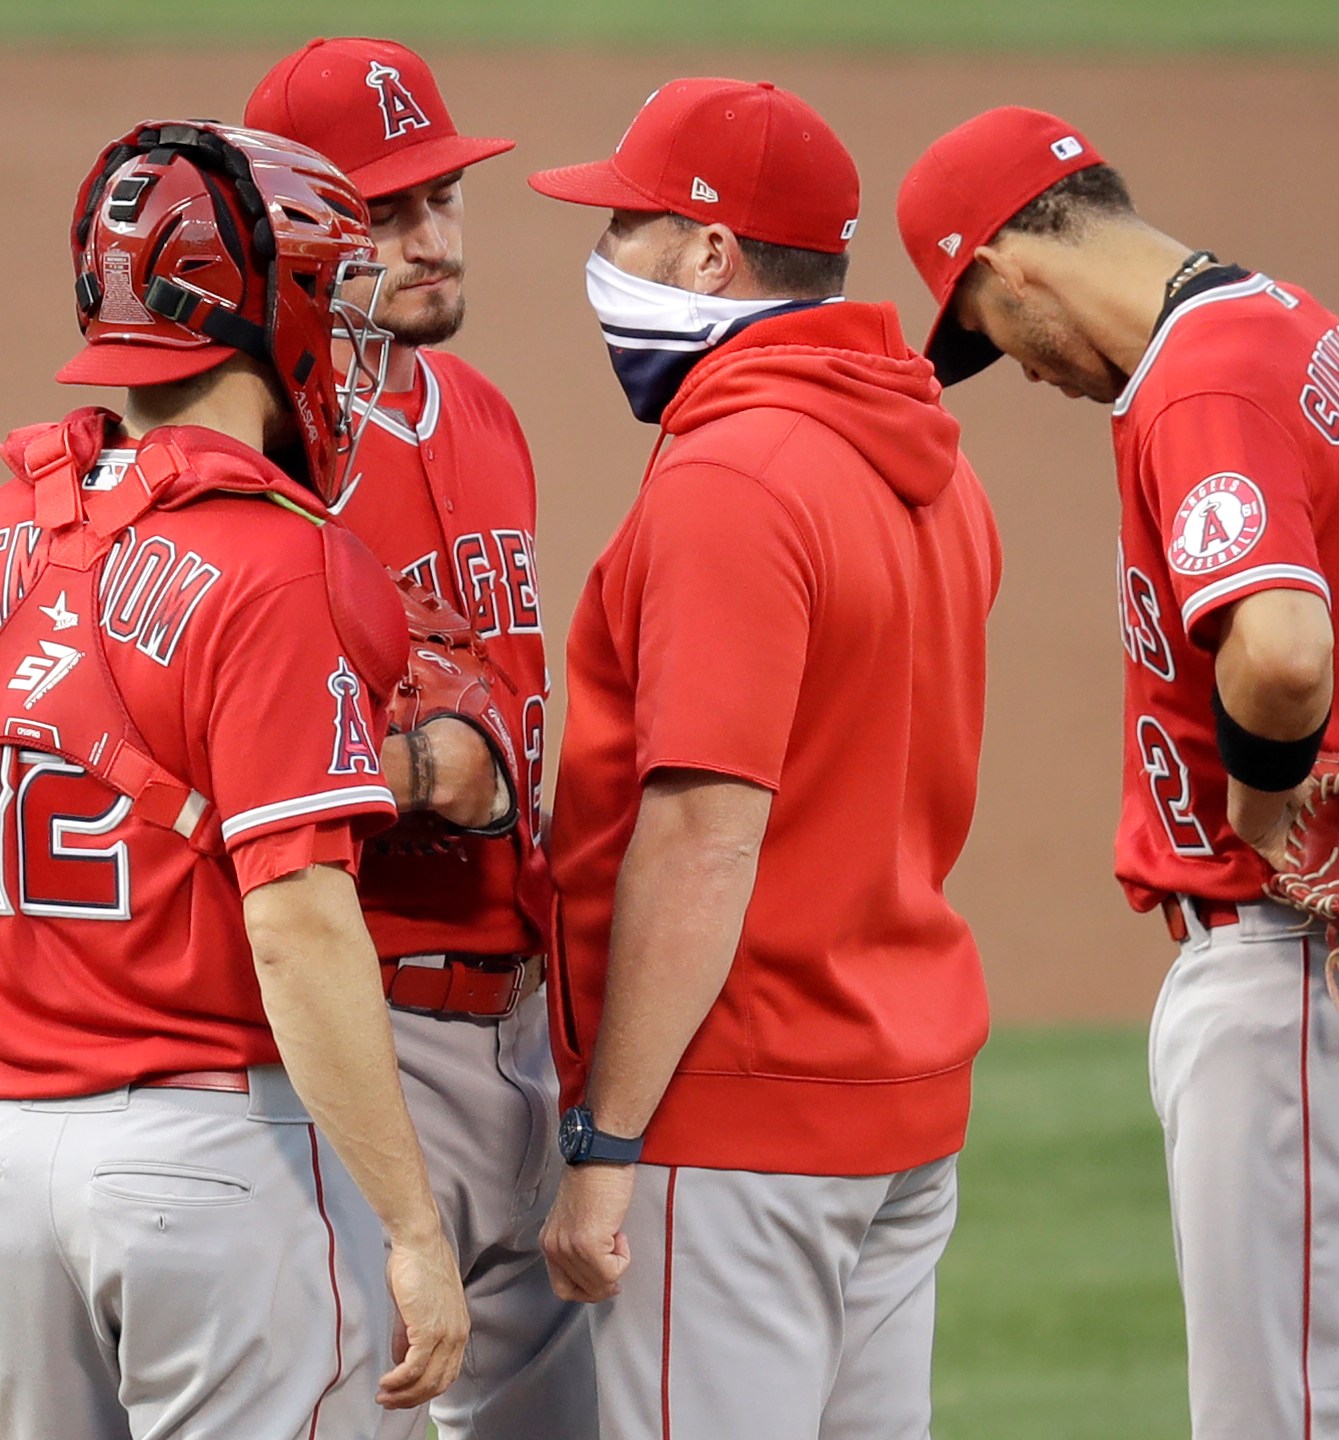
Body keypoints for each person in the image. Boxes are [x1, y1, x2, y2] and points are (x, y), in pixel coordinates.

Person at [897, 107, 1339, 1440]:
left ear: (1009, 263)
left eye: (987, 331)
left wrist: (1270, 809)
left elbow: (1283, 656)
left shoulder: (1199, 381)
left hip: (1305, 973)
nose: (1020, 368)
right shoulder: (1295, 324)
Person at [0, 121, 468, 1439]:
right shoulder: (277, 569)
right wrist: (415, 1227)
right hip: (222, 1166)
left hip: (15, 1170)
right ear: (275, 308)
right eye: (331, 289)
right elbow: (297, 921)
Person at [526, 78, 1001, 1440]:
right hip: (892, 1099)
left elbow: (702, 835)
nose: (601, 264)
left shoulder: (734, 478)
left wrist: (610, 1141)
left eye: (622, 228)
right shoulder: (933, 469)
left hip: (737, 1115)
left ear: (706, 251)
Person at [243, 38, 596, 1440]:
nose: (433, 236)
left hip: (527, 1026)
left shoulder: (485, 411)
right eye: (388, 212)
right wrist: (400, 773)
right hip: (370, 1027)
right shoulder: (267, 454)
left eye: (441, 198)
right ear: (299, 234)